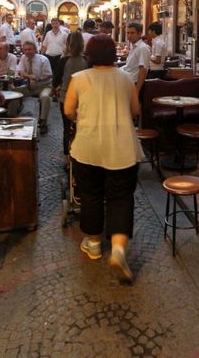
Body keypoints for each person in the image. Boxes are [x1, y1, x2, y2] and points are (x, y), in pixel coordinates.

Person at [64, 34, 143, 283]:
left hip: (88, 148)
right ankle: (119, 250)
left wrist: (84, 116)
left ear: (89, 54)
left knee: (91, 195)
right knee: (121, 198)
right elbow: (135, 110)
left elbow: (68, 110)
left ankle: (95, 244)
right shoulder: (125, 78)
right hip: (123, 148)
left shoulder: (79, 79)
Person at [53, 31, 88, 166]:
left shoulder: (64, 61)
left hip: (66, 98)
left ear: (68, 43)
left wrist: (56, 87)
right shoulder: (87, 60)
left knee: (67, 128)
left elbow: (56, 81)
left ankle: (68, 159)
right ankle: (81, 155)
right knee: (82, 127)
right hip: (84, 100)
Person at [16, 41, 52, 135]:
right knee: (15, 93)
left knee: (45, 97)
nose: (27, 52)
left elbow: (48, 75)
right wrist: (29, 77)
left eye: (30, 49)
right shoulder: (24, 58)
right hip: (29, 85)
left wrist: (36, 79)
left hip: (44, 85)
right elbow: (20, 71)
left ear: (35, 50)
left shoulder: (43, 59)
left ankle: (43, 122)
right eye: (25, 50)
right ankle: (11, 116)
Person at [121, 22, 150, 96]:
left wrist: (136, 91)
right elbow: (131, 67)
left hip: (134, 84)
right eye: (128, 33)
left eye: (132, 33)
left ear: (139, 33)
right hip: (127, 83)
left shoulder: (142, 48)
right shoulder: (133, 47)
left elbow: (143, 70)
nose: (129, 35)